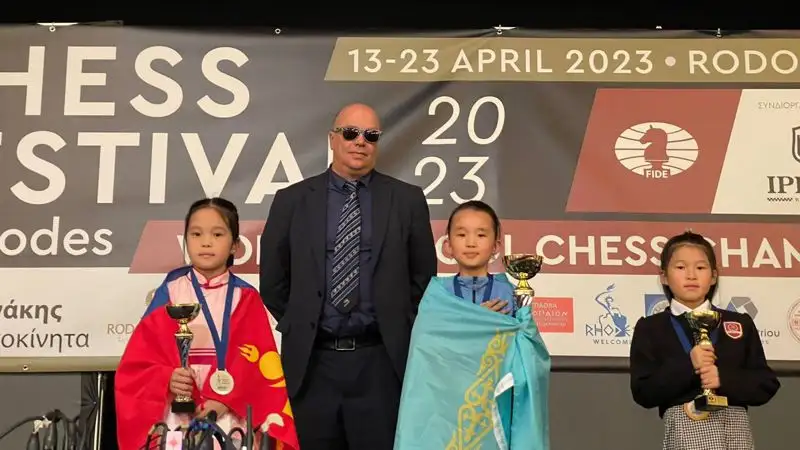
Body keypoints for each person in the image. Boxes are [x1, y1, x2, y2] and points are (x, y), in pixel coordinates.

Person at [259, 103, 438, 449]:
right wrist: (304, 321)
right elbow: (273, 281)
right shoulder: (291, 200)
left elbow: (423, 279)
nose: (360, 142)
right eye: (351, 133)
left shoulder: (407, 200)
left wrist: (395, 325)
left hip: (381, 364)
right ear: (332, 139)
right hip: (313, 364)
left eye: (371, 135)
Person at [115, 198, 299, 450]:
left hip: (229, 416)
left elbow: (259, 367)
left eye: (218, 234)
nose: (206, 242)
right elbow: (137, 365)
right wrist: (167, 378)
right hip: (176, 415)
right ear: (186, 241)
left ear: (235, 245)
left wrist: (226, 399)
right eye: (196, 234)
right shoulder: (169, 293)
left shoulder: (246, 298)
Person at [394, 200, 550, 450]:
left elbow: (529, 357)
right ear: (448, 245)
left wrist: (520, 327)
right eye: (461, 234)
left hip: (494, 402)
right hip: (445, 407)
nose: (470, 242)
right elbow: (425, 359)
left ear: (496, 245)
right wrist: (476, 321)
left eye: (481, 234)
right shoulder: (436, 295)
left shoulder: (509, 293)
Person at [629, 231, 781, 450]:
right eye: (680, 267)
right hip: (684, 433)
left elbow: (766, 384)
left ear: (713, 276)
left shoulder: (739, 323)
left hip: (735, 433)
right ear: (664, 276)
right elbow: (643, 392)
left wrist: (723, 379)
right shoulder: (651, 327)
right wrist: (688, 366)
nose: (691, 275)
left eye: (700, 268)